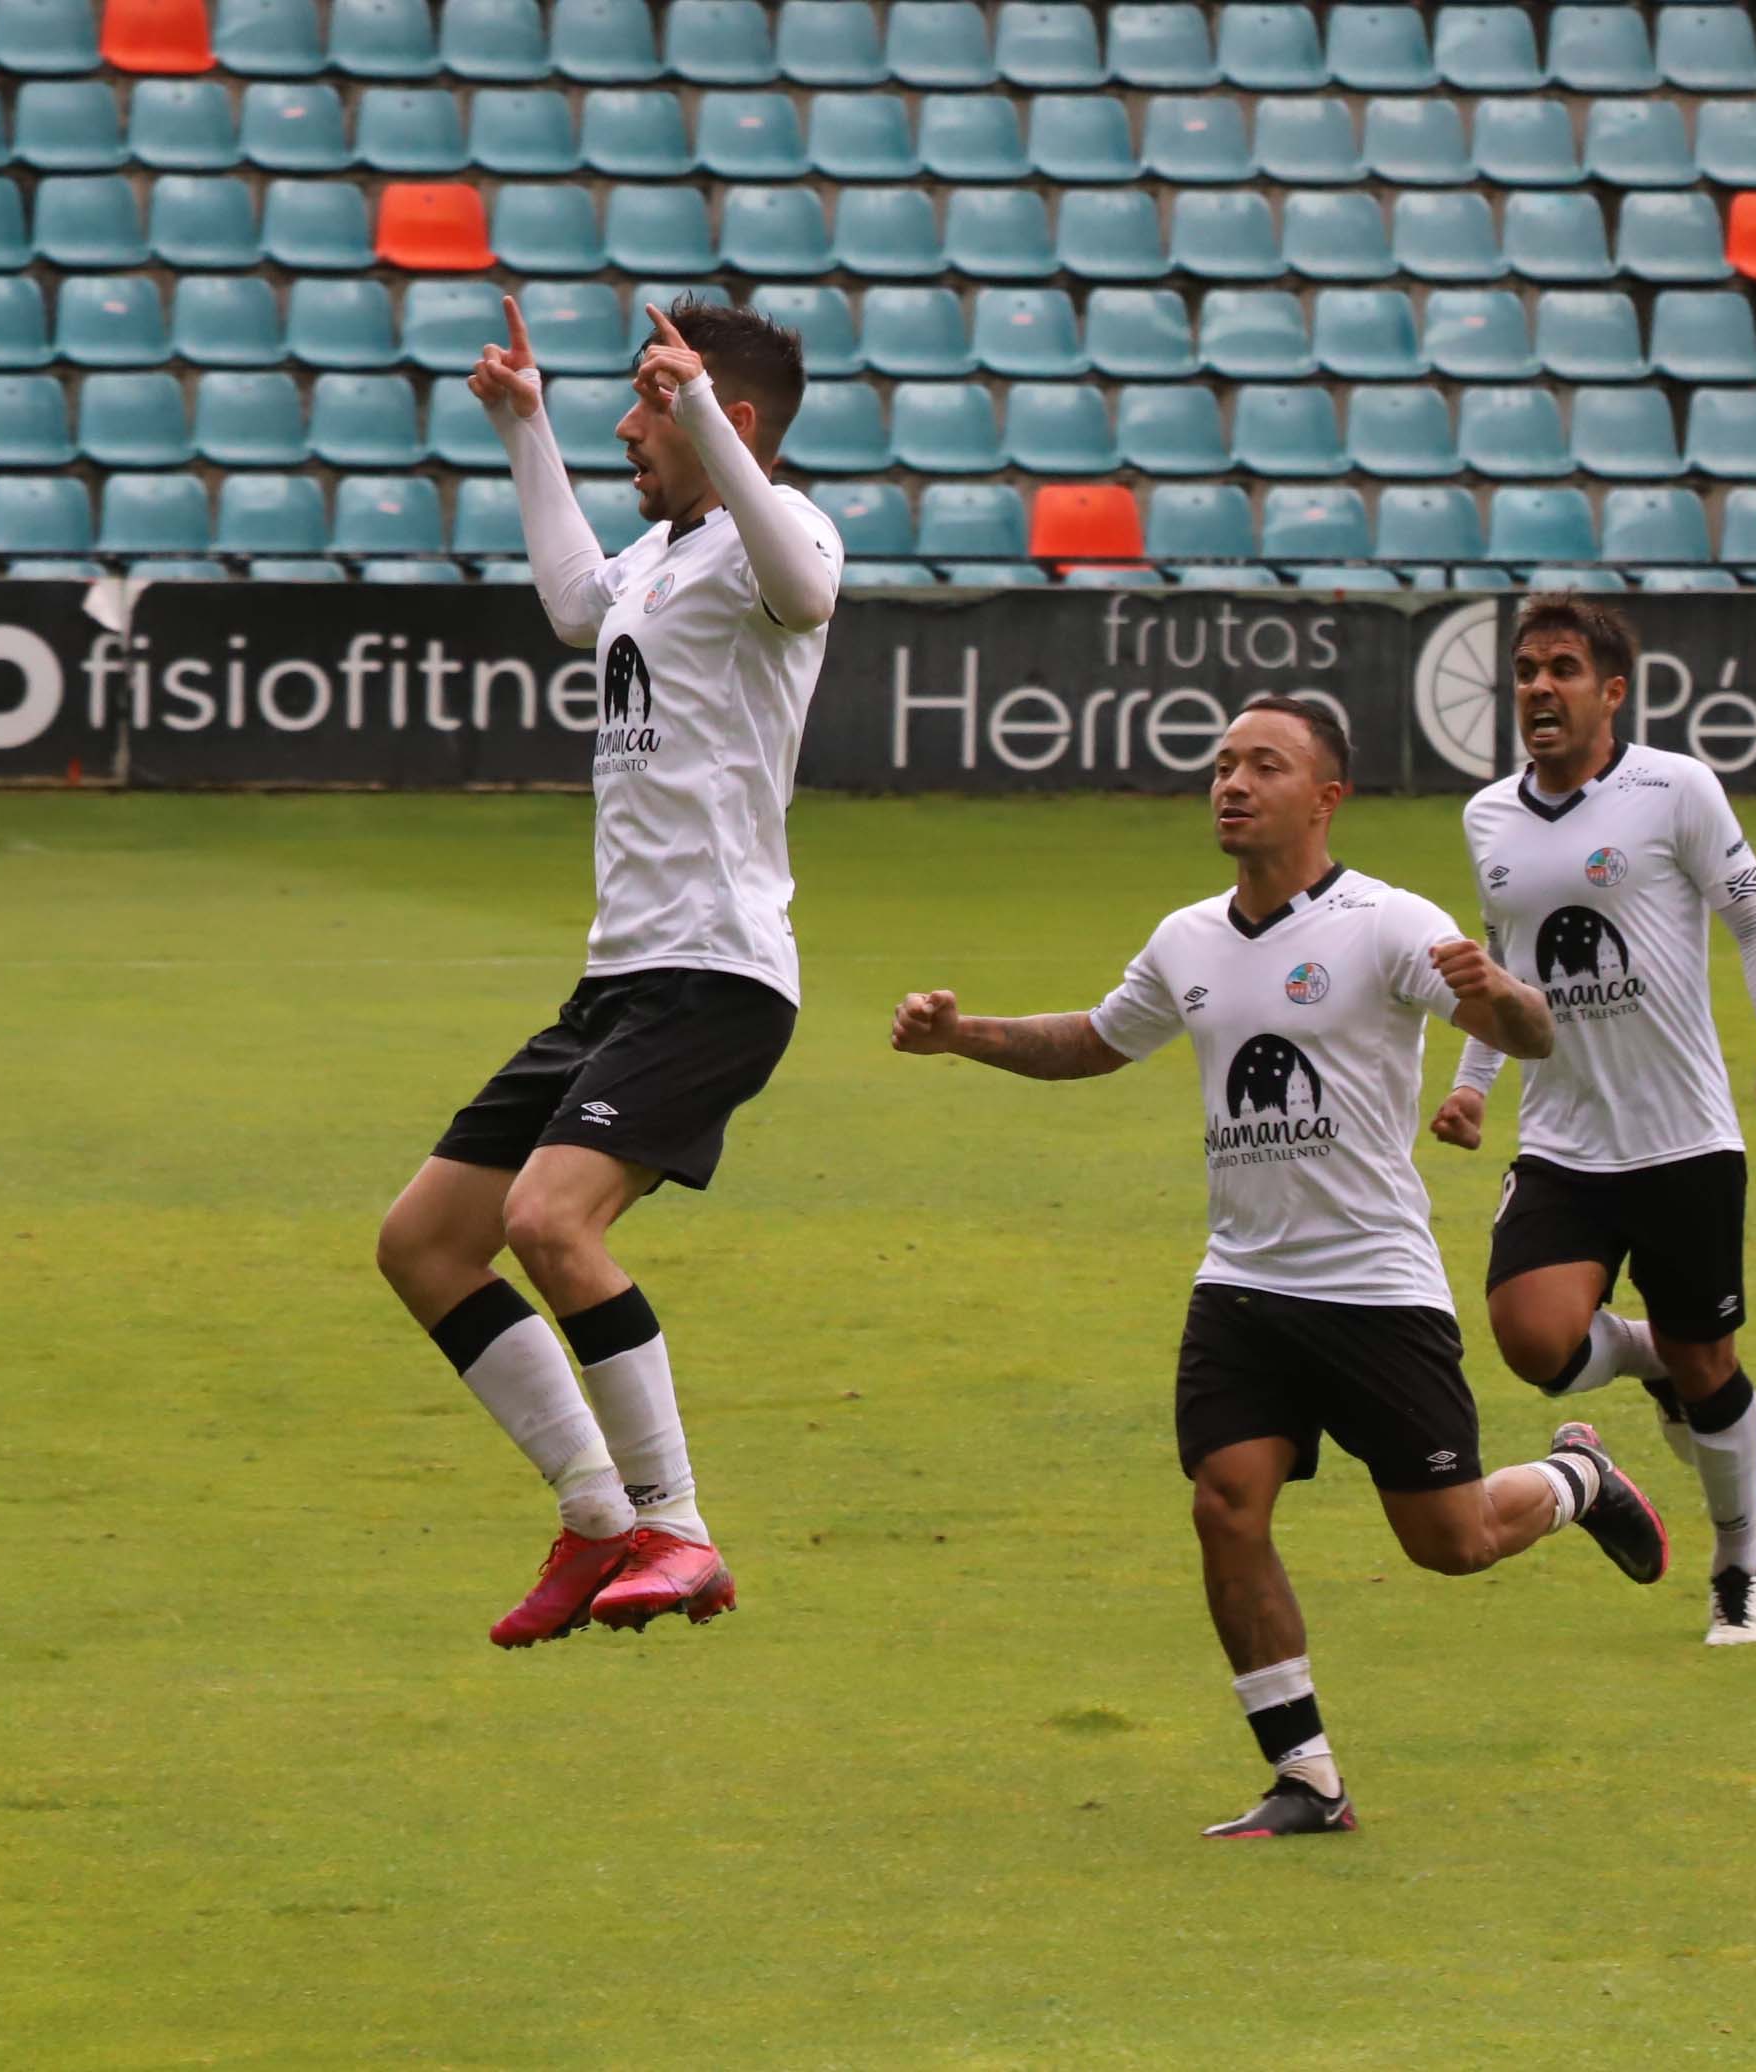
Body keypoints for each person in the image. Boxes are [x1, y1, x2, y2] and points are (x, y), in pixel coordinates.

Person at [891, 696, 1670, 1839]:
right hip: (1243, 1285)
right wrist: (966, 1035)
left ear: (1327, 796)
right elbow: (1097, 1040)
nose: (1232, 783)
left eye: (1264, 764)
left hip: (1375, 1288)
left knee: (1450, 1543)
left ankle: (1577, 1479)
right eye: (1221, 765)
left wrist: (1500, 995)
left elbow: (1532, 1032)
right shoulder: (1186, 938)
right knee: (1225, 1503)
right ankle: (1306, 1775)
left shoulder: (1387, 921)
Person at [372, 296, 844, 1649]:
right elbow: (583, 612)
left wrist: (693, 400)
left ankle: (677, 1528)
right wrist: (525, 431)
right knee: (424, 1244)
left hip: (718, 970)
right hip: (619, 978)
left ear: (723, 419)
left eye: (648, 405)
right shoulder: (662, 551)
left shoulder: (787, 533)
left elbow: (805, 595)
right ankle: (593, 1516)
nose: (627, 426)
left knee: (547, 1223)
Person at [1428, 595, 1756, 1648]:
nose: (1540, 687)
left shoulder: (1675, 788)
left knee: (1712, 1364)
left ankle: (1739, 1563)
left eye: (1562, 669)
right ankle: (1648, 1363)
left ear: (1611, 691)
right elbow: (1507, 970)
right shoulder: (1488, 816)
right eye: (1526, 671)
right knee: (1530, 1337)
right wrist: (1474, 1083)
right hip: (1565, 1137)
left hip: (1684, 1133)